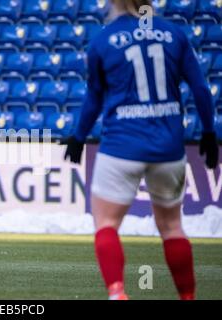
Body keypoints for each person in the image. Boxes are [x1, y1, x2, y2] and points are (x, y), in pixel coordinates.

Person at [62, 0, 219, 300]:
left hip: (121, 146)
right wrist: (209, 133)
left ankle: (117, 293)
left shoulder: (103, 40)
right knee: (172, 227)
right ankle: (188, 297)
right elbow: (200, 88)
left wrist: (78, 137)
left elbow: (93, 98)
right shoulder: (174, 33)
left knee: (106, 224)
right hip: (168, 147)